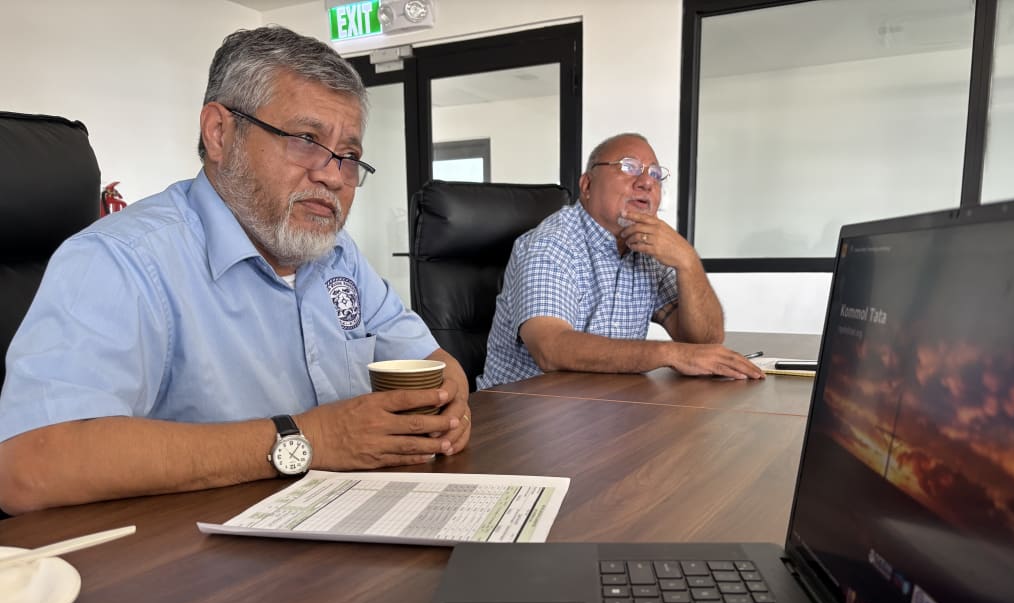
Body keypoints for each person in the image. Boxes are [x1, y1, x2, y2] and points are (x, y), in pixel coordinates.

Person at [0, 26, 470, 515]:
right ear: (220, 133)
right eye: (306, 139)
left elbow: (431, 360)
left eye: (349, 157)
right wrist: (309, 439)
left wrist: (452, 398)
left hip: (344, 530)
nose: (332, 175)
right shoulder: (120, 259)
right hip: (193, 569)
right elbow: (30, 467)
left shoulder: (336, 255)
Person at [477, 132, 764, 389]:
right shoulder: (551, 243)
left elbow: (703, 343)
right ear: (587, 185)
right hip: (519, 414)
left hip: (606, 408)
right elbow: (551, 348)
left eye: (655, 174)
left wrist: (687, 262)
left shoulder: (645, 247)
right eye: (629, 167)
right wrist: (669, 354)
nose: (646, 183)